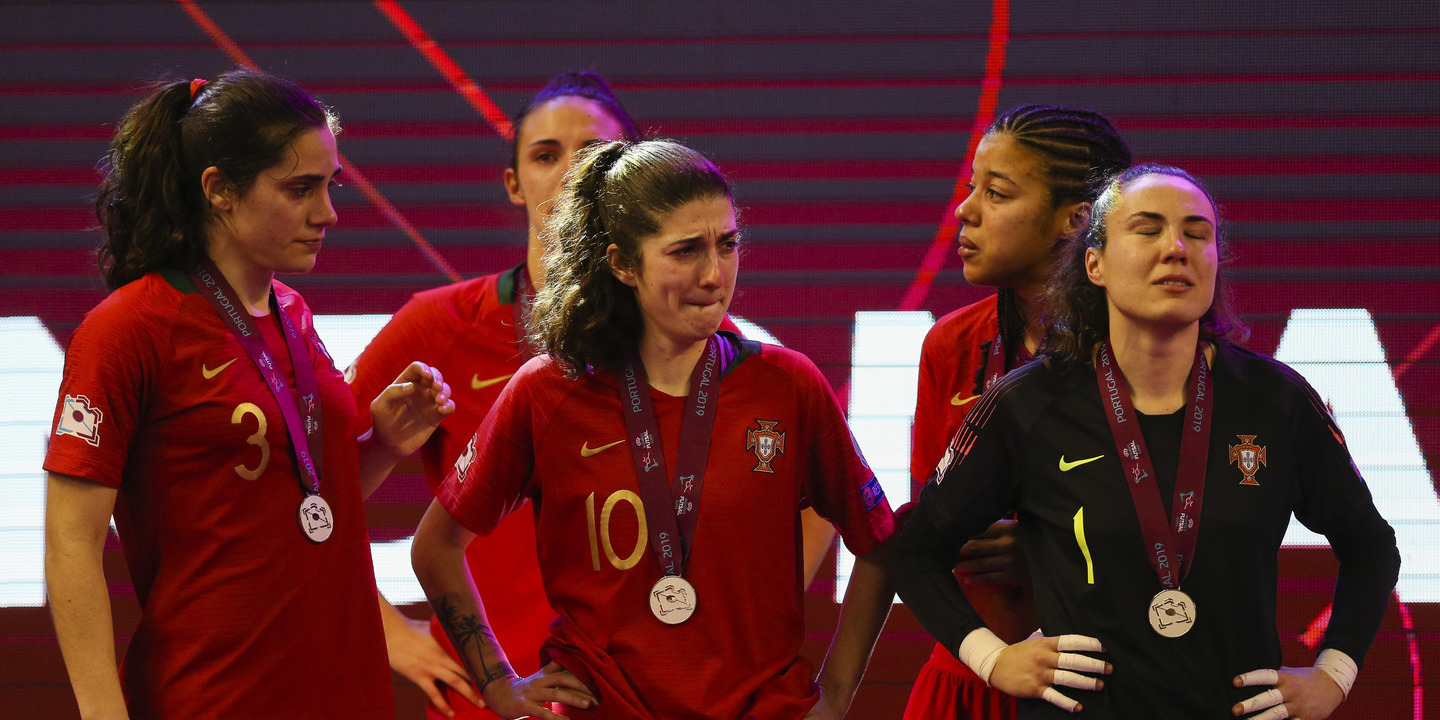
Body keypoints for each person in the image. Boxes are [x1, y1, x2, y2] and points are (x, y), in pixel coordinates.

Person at [352, 72, 838, 719]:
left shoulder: (711, 344)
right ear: (514, 182)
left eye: (593, 154)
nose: (568, 174)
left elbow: (821, 502)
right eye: (544, 155)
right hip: (504, 703)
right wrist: (390, 634)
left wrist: (739, 627)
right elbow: (311, 487)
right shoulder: (436, 326)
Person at [892, 164, 1401, 718]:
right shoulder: (1028, 403)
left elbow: (1371, 547)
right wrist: (993, 658)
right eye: (1148, 228)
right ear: (1095, 263)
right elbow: (915, 550)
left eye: (1197, 233)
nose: (1176, 248)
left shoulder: (1276, 400)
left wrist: (1334, 674)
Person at [43, 69, 453, 719]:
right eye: (300, 189)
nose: (328, 213)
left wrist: (378, 447)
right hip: (214, 698)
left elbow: (289, 507)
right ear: (220, 191)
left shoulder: (293, 313)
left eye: (329, 185)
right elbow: (70, 546)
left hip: (342, 692)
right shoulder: (128, 329)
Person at [904, 104, 1131, 720]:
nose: (965, 210)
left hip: (1106, 683)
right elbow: (928, 539)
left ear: (1074, 220)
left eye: (996, 193)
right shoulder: (950, 345)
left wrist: (1047, 544)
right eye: (971, 187)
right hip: (969, 677)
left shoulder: (1150, 352)